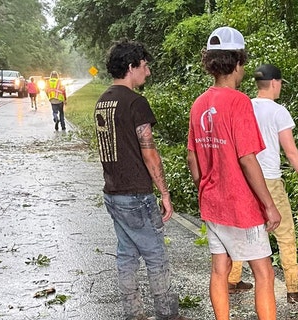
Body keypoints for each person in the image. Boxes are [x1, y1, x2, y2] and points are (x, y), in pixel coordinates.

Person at [186, 27, 281, 320]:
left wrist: (207, 186)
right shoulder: (239, 102)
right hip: (241, 206)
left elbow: (192, 156)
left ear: (211, 62)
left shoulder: (199, 103)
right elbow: (247, 159)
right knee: (264, 272)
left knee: (219, 268)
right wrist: (269, 205)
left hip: (212, 204)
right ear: (239, 61)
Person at [94, 39, 191, 320]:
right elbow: (150, 153)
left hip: (112, 192)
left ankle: (134, 314)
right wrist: (165, 193)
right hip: (136, 193)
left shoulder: (103, 101)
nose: (147, 73)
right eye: (145, 67)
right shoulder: (135, 102)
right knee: (156, 255)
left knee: (126, 255)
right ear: (131, 66)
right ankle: (167, 314)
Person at [227, 64, 298, 303]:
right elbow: (291, 153)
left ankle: (233, 279)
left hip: (245, 178)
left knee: (244, 229)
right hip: (269, 179)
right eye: (280, 83)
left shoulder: (244, 106)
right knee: (285, 233)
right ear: (274, 83)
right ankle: (292, 289)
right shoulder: (278, 111)